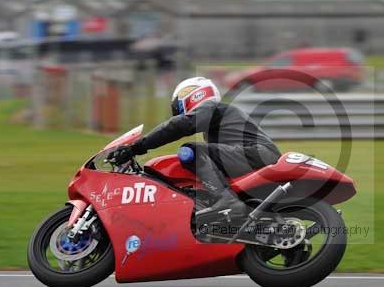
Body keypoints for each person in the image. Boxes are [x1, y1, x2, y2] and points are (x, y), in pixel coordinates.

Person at [109, 77, 281, 217]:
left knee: (190, 151)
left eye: (177, 106)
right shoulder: (217, 118)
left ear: (192, 96)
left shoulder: (211, 107)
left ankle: (226, 200)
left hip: (257, 153)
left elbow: (181, 125)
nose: (177, 111)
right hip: (254, 155)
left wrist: (137, 147)